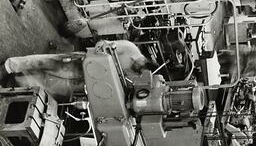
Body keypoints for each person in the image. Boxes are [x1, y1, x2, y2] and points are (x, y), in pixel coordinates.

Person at [0, 40, 150, 100]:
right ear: (143, 60)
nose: (135, 73)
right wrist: (102, 56)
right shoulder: (130, 48)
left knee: (45, 84)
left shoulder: (133, 73)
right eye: (139, 68)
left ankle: (12, 84)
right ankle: (9, 66)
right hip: (80, 62)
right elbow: (101, 43)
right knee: (41, 62)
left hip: (84, 78)